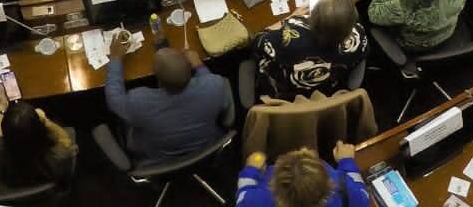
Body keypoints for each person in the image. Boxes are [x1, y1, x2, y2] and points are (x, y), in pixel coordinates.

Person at [106, 39, 230, 162]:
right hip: (206, 148)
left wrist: (115, 59)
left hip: (159, 158)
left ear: (158, 80)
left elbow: (114, 100)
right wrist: (198, 64)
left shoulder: (139, 102)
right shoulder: (216, 85)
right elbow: (209, 82)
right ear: (189, 68)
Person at [252, 0, 368, 100]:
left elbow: (258, 41)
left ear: (312, 19)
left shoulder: (285, 39)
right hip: (329, 90)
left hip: (287, 94)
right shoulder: (358, 36)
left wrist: (289, 18)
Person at [0, 91, 78, 190]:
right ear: (40, 130)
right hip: (44, 194)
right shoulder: (58, 156)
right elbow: (66, 141)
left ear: (3, 133)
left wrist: (1, 108)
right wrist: (45, 120)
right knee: (70, 132)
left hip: (7, 192)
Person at [237, 145, 368, 207]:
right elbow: (359, 185)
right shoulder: (353, 194)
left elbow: (243, 192)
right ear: (329, 184)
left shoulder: (254, 201)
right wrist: (346, 160)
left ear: (274, 186)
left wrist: (251, 169)